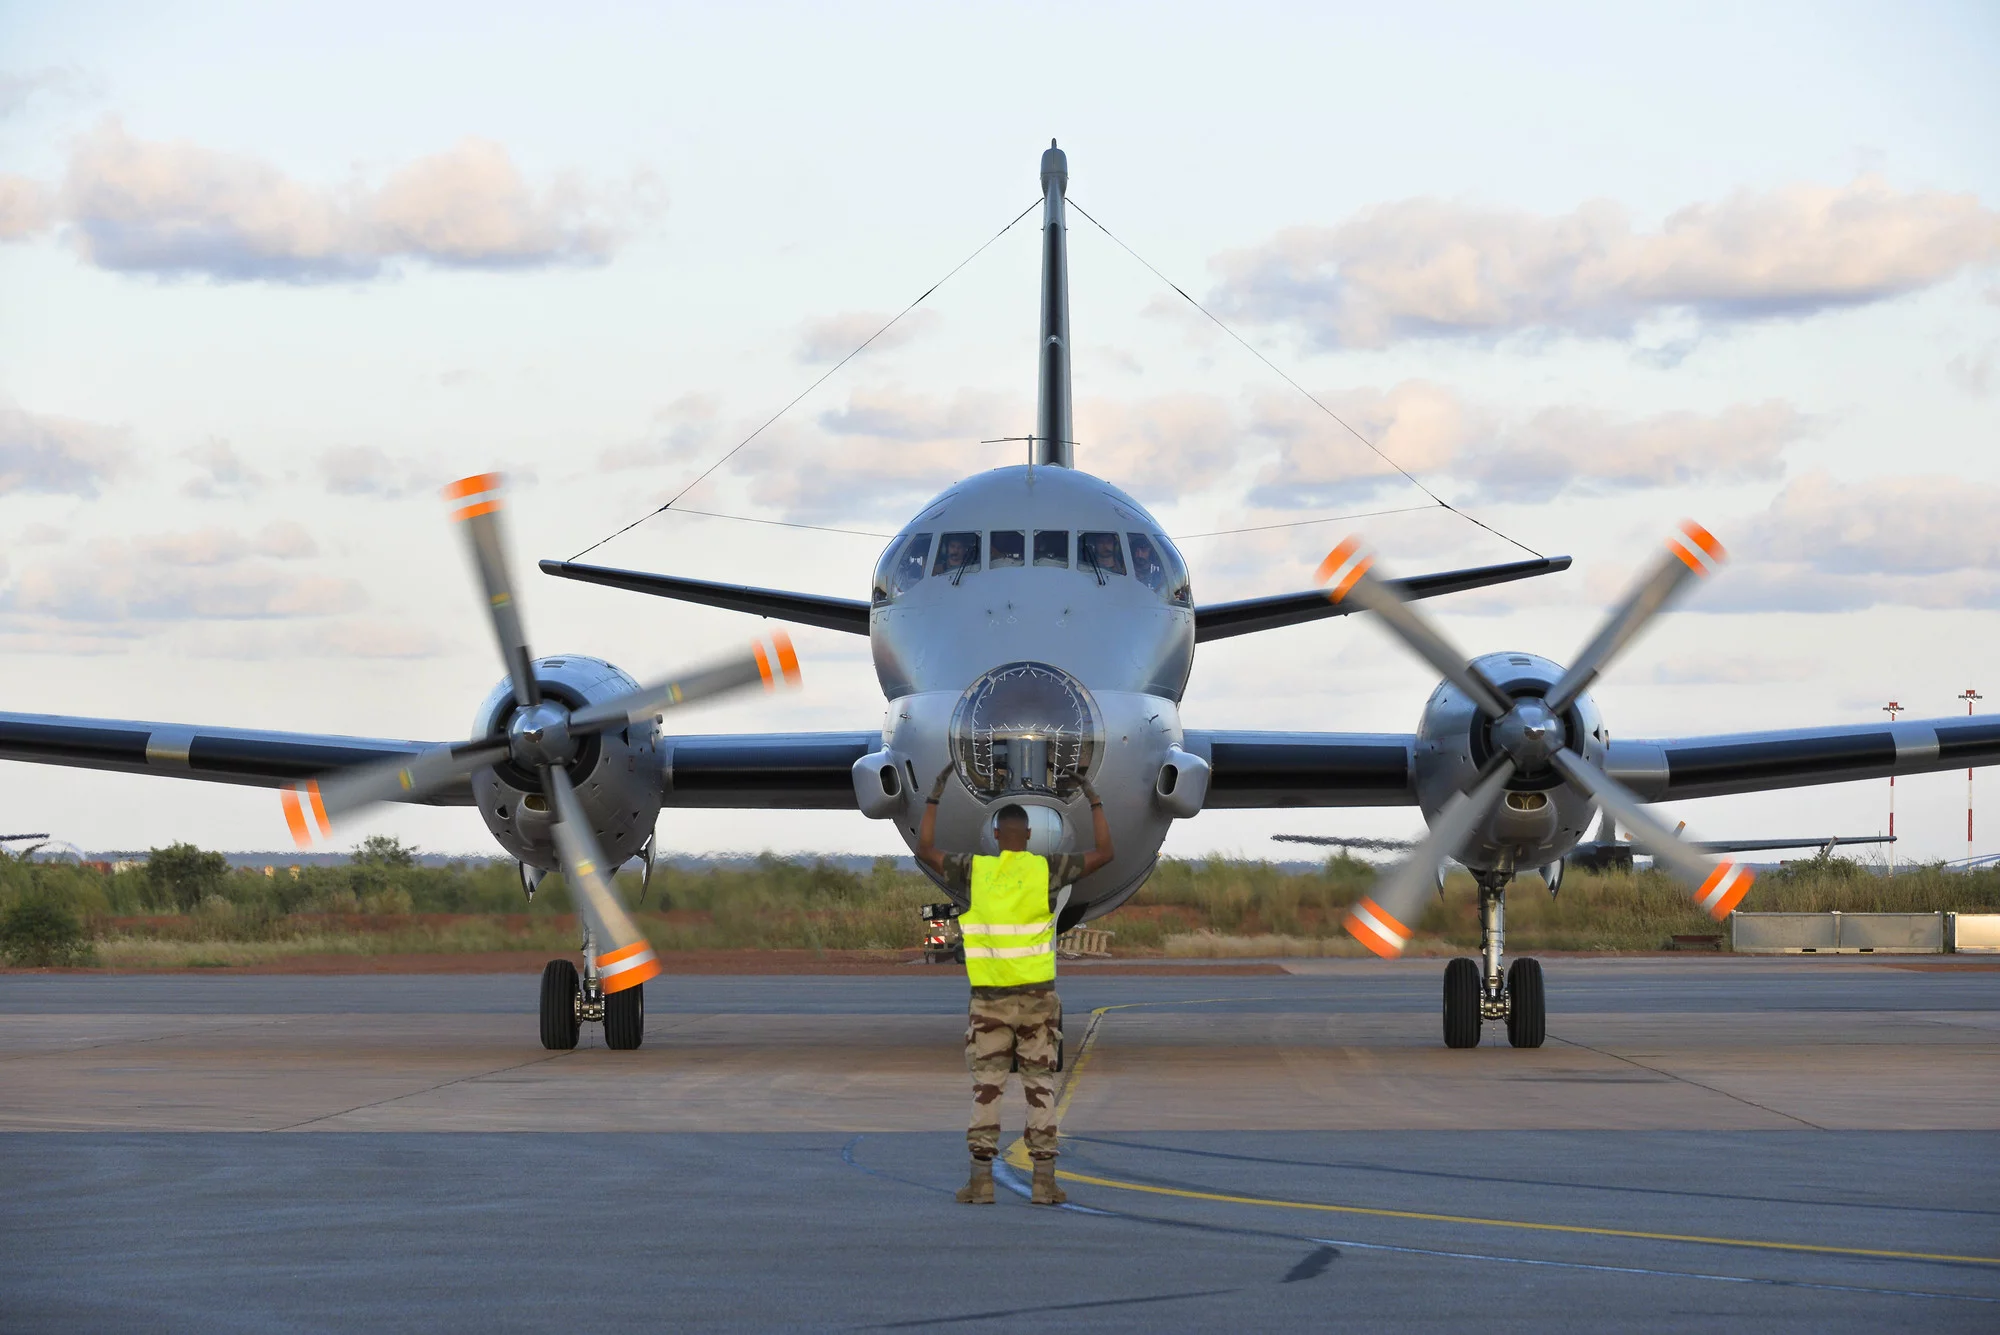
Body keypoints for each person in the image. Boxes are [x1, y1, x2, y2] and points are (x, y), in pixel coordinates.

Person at [914, 767, 1115, 1206]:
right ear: (1027, 835)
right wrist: (1094, 799)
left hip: (989, 1000)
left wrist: (934, 796)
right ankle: (1044, 1183)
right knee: (1040, 1087)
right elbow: (1105, 853)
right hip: (1038, 998)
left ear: (995, 836)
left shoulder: (976, 871)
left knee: (987, 1088)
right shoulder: (1047, 870)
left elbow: (925, 849)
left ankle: (981, 1183)